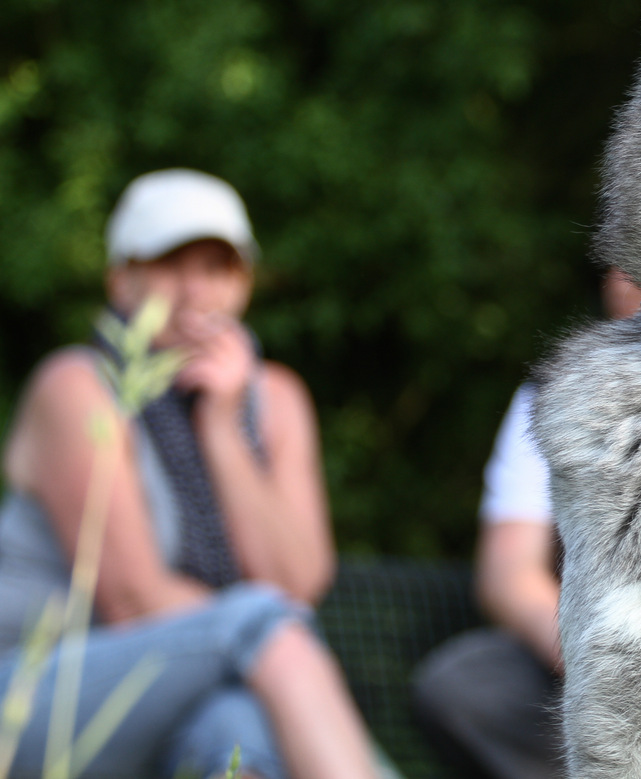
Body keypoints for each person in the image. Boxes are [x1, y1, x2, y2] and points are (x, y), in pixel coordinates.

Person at [0, 169, 379, 779]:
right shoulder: (76, 387)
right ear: (121, 279)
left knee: (236, 731)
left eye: (218, 268)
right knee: (262, 627)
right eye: (171, 264)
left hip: (197, 685)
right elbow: (133, 599)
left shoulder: (275, 398)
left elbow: (299, 580)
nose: (196, 290)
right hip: (33, 694)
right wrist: (257, 636)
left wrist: (223, 428)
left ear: (245, 284)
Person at [411, 269, 641, 779]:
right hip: (588, 659)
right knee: (463, 684)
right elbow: (508, 573)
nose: (633, 277)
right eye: (622, 258)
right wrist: (591, 657)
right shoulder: (552, 395)